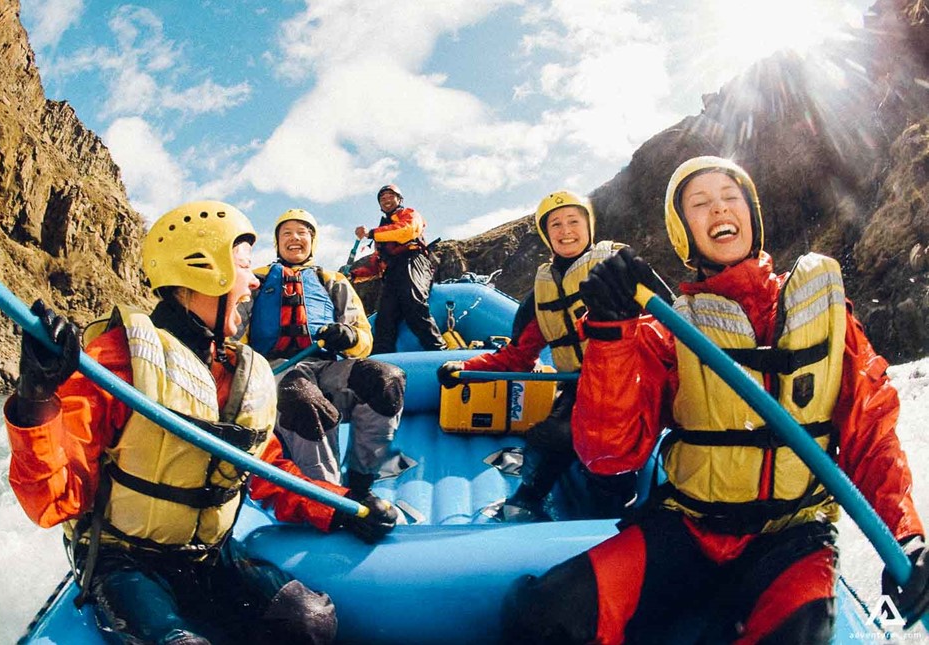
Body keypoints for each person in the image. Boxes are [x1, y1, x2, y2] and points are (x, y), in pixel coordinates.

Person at [502, 157, 929, 643]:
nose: (719, 209)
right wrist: (608, 331)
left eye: (731, 198)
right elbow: (608, 454)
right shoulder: (667, 331)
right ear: (685, 234)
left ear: (752, 216)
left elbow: (871, 434)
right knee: (541, 617)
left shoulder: (830, 316)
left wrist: (907, 537)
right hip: (690, 529)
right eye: (699, 204)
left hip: (793, 541)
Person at [5, 201, 398, 645]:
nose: (253, 283)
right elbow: (55, 503)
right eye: (243, 268)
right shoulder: (114, 363)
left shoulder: (237, 371)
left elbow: (267, 471)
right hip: (126, 560)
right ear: (202, 272)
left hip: (210, 554)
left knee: (310, 620)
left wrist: (344, 507)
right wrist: (35, 400)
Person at [437, 190, 671, 522]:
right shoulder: (539, 295)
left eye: (574, 221)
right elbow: (517, 356)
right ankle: (528, 503)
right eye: (556, 224)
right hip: (581, 387)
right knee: (546, 437)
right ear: (547, 236)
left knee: (578, 440)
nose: (566, 231)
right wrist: (465, 367)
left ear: (590, 226)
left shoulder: (620, 267)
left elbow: (670, 318)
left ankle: (611, 519)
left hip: (629, 385)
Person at [243, 208, 407, 497]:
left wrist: (348, 336)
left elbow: (363, 338)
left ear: (313, 241)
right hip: (275, 370)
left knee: (386, 379)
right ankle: (326, 497)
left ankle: (360, 483)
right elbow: (235, 334)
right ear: (277, 243)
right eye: (286, 233)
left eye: (302, 232)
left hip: (325, 368)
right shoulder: (255, 280)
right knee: (302, 396)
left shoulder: (333, 281)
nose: (295, 238)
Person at [351, 184, 446, 353]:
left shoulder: (408, 214)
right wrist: (353, 275)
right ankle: (382, 359)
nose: (386, 200)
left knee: (412, 300)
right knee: (384, 318)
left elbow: (407, 231)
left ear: (399, 199)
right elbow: (376, 264)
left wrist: (371, 233)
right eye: (382, 198)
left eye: (390, 196)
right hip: (392, 272)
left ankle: (438, 349)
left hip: (413, 261)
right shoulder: (382, 234)